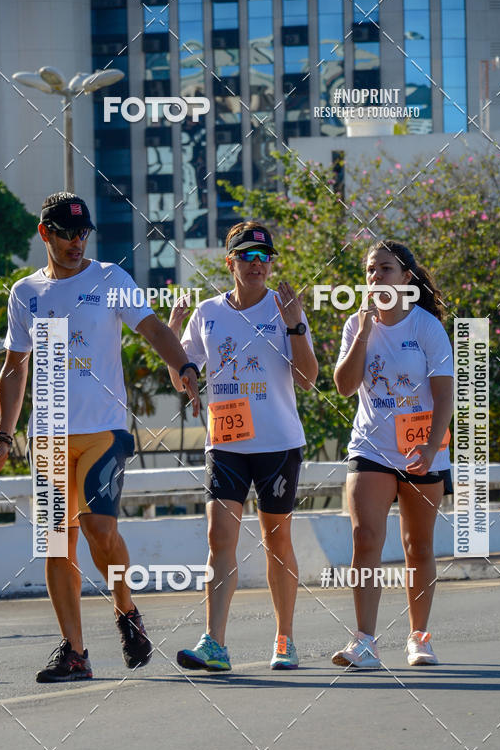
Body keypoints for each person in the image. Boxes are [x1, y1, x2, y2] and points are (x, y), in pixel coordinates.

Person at [0, 192, 200, 682]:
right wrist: (3, 439)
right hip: (50, 437)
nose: (77, 242)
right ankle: (75, 652)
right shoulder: (25, 293)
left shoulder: (110, 279)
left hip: (103, 430)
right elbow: (14, 371)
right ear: (45, 234)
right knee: (58, 543)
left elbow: (153, 329)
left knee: (100, 530)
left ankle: (126, 610)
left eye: (83, 233)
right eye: (66, 233)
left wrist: (182, 363)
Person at [168, 221, 318, 671]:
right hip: (227, 441)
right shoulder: (208, 313)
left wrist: (294, 327)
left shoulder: (286, 307)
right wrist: (175, 342)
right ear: (230, 262)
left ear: (271, 263)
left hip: (277, 442)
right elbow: (183, 377)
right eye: (247, 257)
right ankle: (215, 643)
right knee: (219, 538)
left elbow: (308, 380)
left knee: (276, 540)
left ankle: (285, 639)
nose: (257, 265)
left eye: (264, 257)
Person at [332, 240, 454, 669]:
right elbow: (344, 385)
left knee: (417, 546)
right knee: (365, 539)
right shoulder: (356, 324)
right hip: (371, 448)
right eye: (369, 270)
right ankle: (364, 641)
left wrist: (429, 442)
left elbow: (444, 396)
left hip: (423, 447)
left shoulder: (426, 328)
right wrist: (364, 334)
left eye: (385, 269)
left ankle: (419, 637)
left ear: (406, 277)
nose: (375, 277)